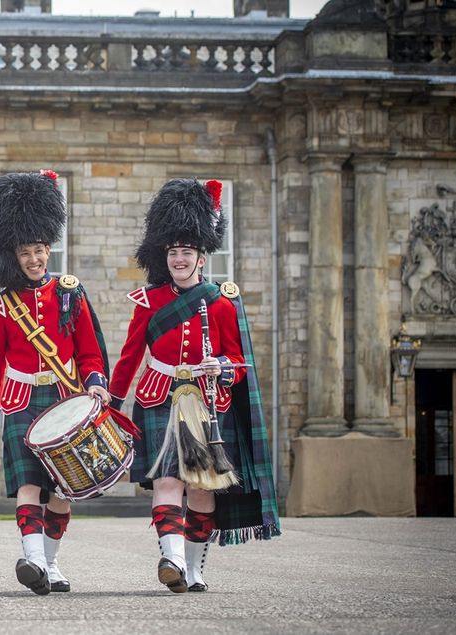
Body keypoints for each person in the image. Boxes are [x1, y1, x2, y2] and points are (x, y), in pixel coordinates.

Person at [108, 178, 281, 594]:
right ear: (164, 256)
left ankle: (193, 567)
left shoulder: (222, 302)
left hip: (207, 401)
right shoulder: (148, 302)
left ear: (202, 257)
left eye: (187, 252)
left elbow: (240, 364)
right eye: (173, 253)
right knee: (168, 481)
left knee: (203, 489)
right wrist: (111, 402)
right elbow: (130, 357)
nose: (180, 259)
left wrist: (219, 365)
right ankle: (169, 557)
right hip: (159, 397)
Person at [0, 170, 112, 595]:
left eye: (39, 250)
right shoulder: (0, 306)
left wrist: (94, 383)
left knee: (65, 487)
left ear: (48, 249)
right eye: (25, 252)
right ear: (12, 255)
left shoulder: (70, 293)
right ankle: (32, 558)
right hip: (19, 400)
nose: (33, 259)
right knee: (28, 483)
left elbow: (89, 350)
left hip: (66, 397)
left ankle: (49, 563)